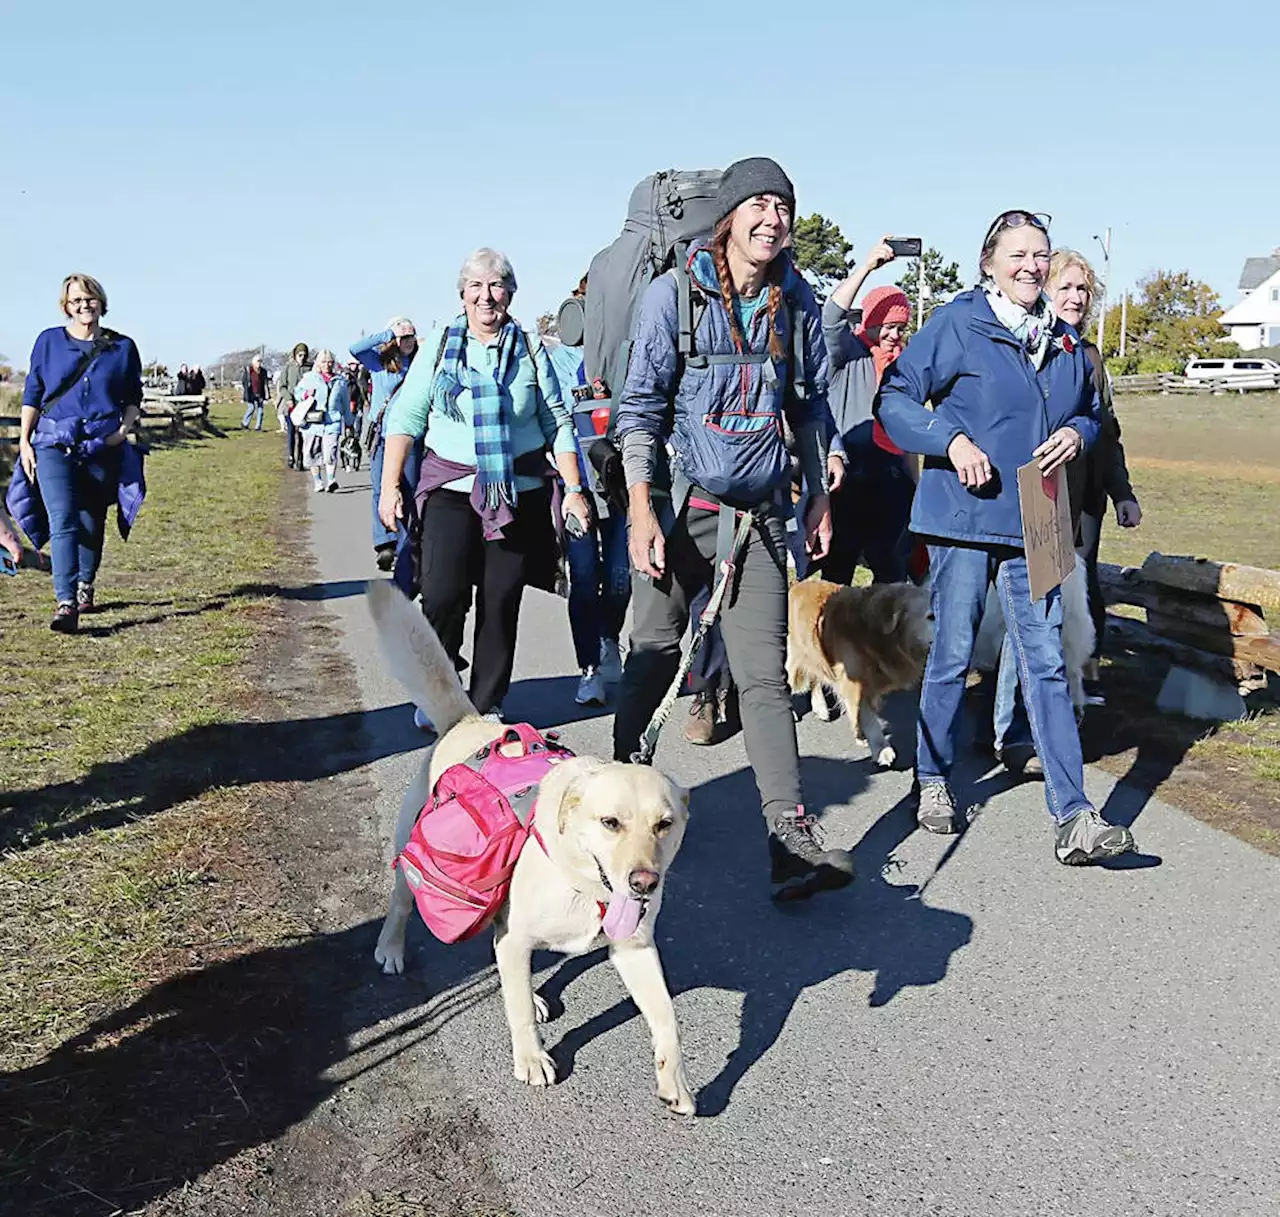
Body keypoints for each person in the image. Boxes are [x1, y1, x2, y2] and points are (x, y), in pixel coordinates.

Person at [612, 157, 854, 902]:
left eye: (783, 206)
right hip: (681, 510)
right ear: (727, 216)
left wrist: (817, 493)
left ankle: (790, 837)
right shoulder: (673, 298)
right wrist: (641, 509)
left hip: (758, 517)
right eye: (759, 203)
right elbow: (640, 410)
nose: (773, 218)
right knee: (654, 650)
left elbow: (810, 406)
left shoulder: (797, 303)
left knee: (762, 674)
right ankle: (618, 801)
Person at [875, 209, 1136, 865]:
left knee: (1045, 659)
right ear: (990, 261)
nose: (1033, 265)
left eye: (1041, 254)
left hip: (1039, 517)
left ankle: (1075, 815)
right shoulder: (960, 323)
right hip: (965, 512)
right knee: (953, 651)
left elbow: (1090, 413)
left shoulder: (1065, 342)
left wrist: (1079, 433)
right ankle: (932, 779)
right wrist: (950, 439)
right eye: (1018, 253)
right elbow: (896, 397)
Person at [378, 249, 591, 724]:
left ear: (510, 294)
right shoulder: (438, 345)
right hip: (451, 489)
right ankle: (438, 693)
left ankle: (487, 702)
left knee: (500, 599)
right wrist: (390, 484)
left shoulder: (532, 349)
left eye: (495, 285)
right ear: (462, 295)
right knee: (442, 594)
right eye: (475, 286)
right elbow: (407, 416)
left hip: (514, 494)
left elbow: (557, 421)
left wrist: (574, 488)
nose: (486, 296)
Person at [7, 273, 145, 632]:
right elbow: (33, 393)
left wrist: (121, 433)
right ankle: (66, 602)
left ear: (101, 301)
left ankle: (85, 583)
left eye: (90, 299)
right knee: (63, 518)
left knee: (90, 518)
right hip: (52, 442)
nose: (84, 306)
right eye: (76, 301)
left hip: (101, 445)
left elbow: (132, 398)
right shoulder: (49, 342)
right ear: (66, 306)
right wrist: (25, 440)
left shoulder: (123, 348)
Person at [821, 239, 916, 585]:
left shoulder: (903, 368)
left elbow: (909, 438)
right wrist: (866, 268)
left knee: (892, 576)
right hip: (848, 480)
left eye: (900, 327)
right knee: (837, 574)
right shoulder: (847, 352)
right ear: (870, 322)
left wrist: (914, 486)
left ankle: (879, 639)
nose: (894, 334)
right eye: (888, 325)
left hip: (891, 484)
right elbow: (830, 318)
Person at [544, 327, 630, 707]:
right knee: (583, 576)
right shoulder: (558, 360)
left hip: (620, 487)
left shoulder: (625, 352)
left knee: (620, 579)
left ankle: (608, 638)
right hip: (575, 488)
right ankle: (589, 670)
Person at [350, 318, 422, 571]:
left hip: (412, 436)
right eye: (403, 337)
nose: (408, 341)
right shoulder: (380, 363)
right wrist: (388, 333)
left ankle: (407, 543)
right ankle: (385, 543)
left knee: (410, 489)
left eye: (411, 335)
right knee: (382, 488)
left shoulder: (421, 362)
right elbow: (355, 348)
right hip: (383, 434)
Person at [291, 350, 351, 493]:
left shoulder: (340, 382)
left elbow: (345, 403)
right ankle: (318, 481)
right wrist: (306, 394)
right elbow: (297, 393)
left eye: (330, 362)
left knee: (330, 451)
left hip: (332, 421)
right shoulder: (309, 378)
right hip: (313, 422)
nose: (327, 365)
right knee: (312, 453)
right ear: (318, 363)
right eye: (324, 362)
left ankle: (331, 480)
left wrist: (349, 422)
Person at [277, 342, 310, 469]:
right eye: (300, 355)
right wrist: (288, 399)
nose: (302, 357)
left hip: (304, 405)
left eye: (304, 355)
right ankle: (291, 456)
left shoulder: (309, 368)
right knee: (291, 431)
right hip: (291, 404)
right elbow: (282, 386)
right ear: (295, 355)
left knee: (302, 433)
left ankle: (300, 458)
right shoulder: (288, 368)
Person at [240, 354, 270, 430]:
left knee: (260, 410)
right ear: (253, 362)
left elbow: (266, 383)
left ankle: (258, 427)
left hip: (260, 393)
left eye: (260, 361)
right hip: (251, 393)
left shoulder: (263, 371)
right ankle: (244, 423)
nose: (259, 363)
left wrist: (267, 394)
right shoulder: (248, 371)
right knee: (251, 408)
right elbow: (244, 382)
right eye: (257, 361)